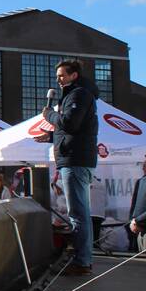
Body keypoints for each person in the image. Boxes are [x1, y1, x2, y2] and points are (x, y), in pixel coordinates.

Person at [37, 59, 99, 276]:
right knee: (80, 212)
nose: (59, 80)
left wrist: (49, 115)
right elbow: (76, 129)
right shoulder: (76, 95)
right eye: (57, 76)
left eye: (62, 75)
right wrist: (52, 137)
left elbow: (70, 123)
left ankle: (82, 261)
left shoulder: (79, 95)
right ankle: (83, 258)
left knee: (78, 214)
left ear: (74, 75)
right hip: (74, 158)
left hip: (75, 161)